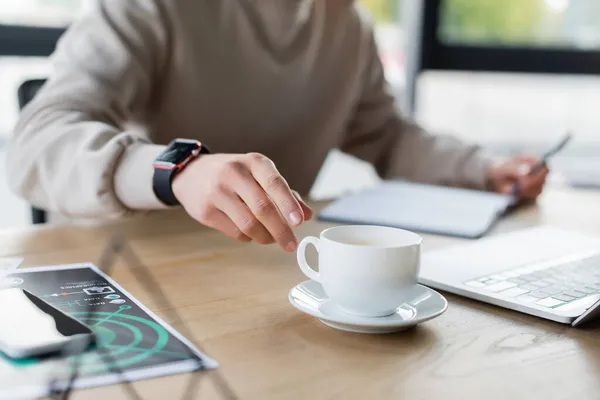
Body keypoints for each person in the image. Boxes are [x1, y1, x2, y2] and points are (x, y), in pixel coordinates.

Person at [8, 0, 547, 252]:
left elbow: (387, 135)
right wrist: (177, 171)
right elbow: (33, 144)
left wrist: (483, 168)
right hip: (138, 278)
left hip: (274, 273)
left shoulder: (348, 26)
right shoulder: (149, 9)